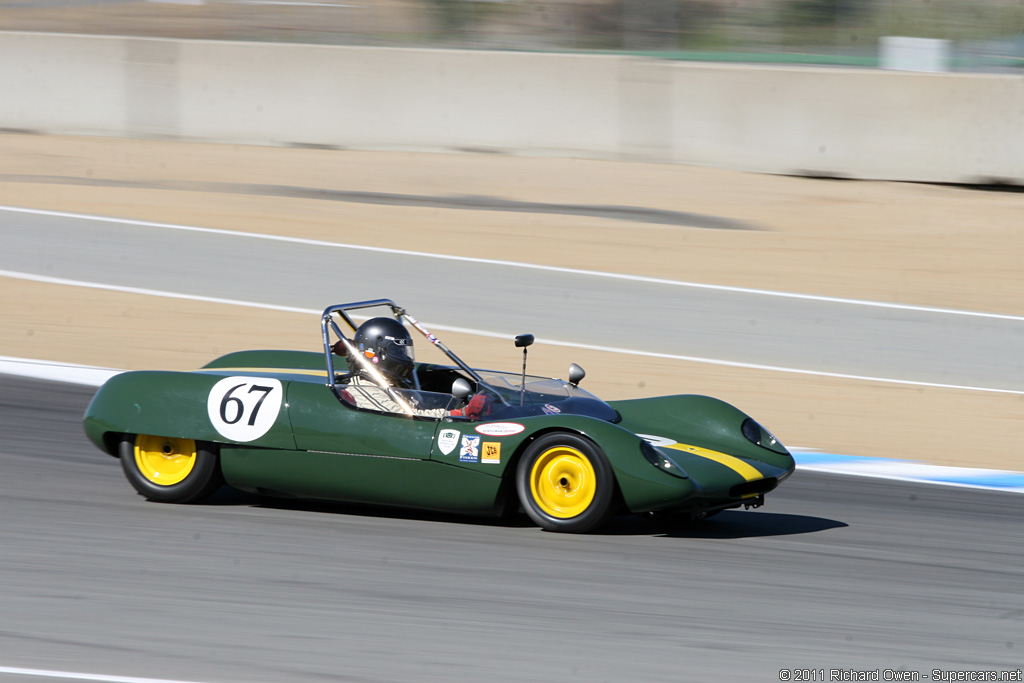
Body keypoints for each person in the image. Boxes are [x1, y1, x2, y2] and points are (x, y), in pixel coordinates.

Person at [334, 317, 492, 419]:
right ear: (377, 352)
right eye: (398, 350)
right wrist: (459, 413)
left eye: (404, 350)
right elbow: (408, 418)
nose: (404, 356)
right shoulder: (365, 389)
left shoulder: (391, 380)